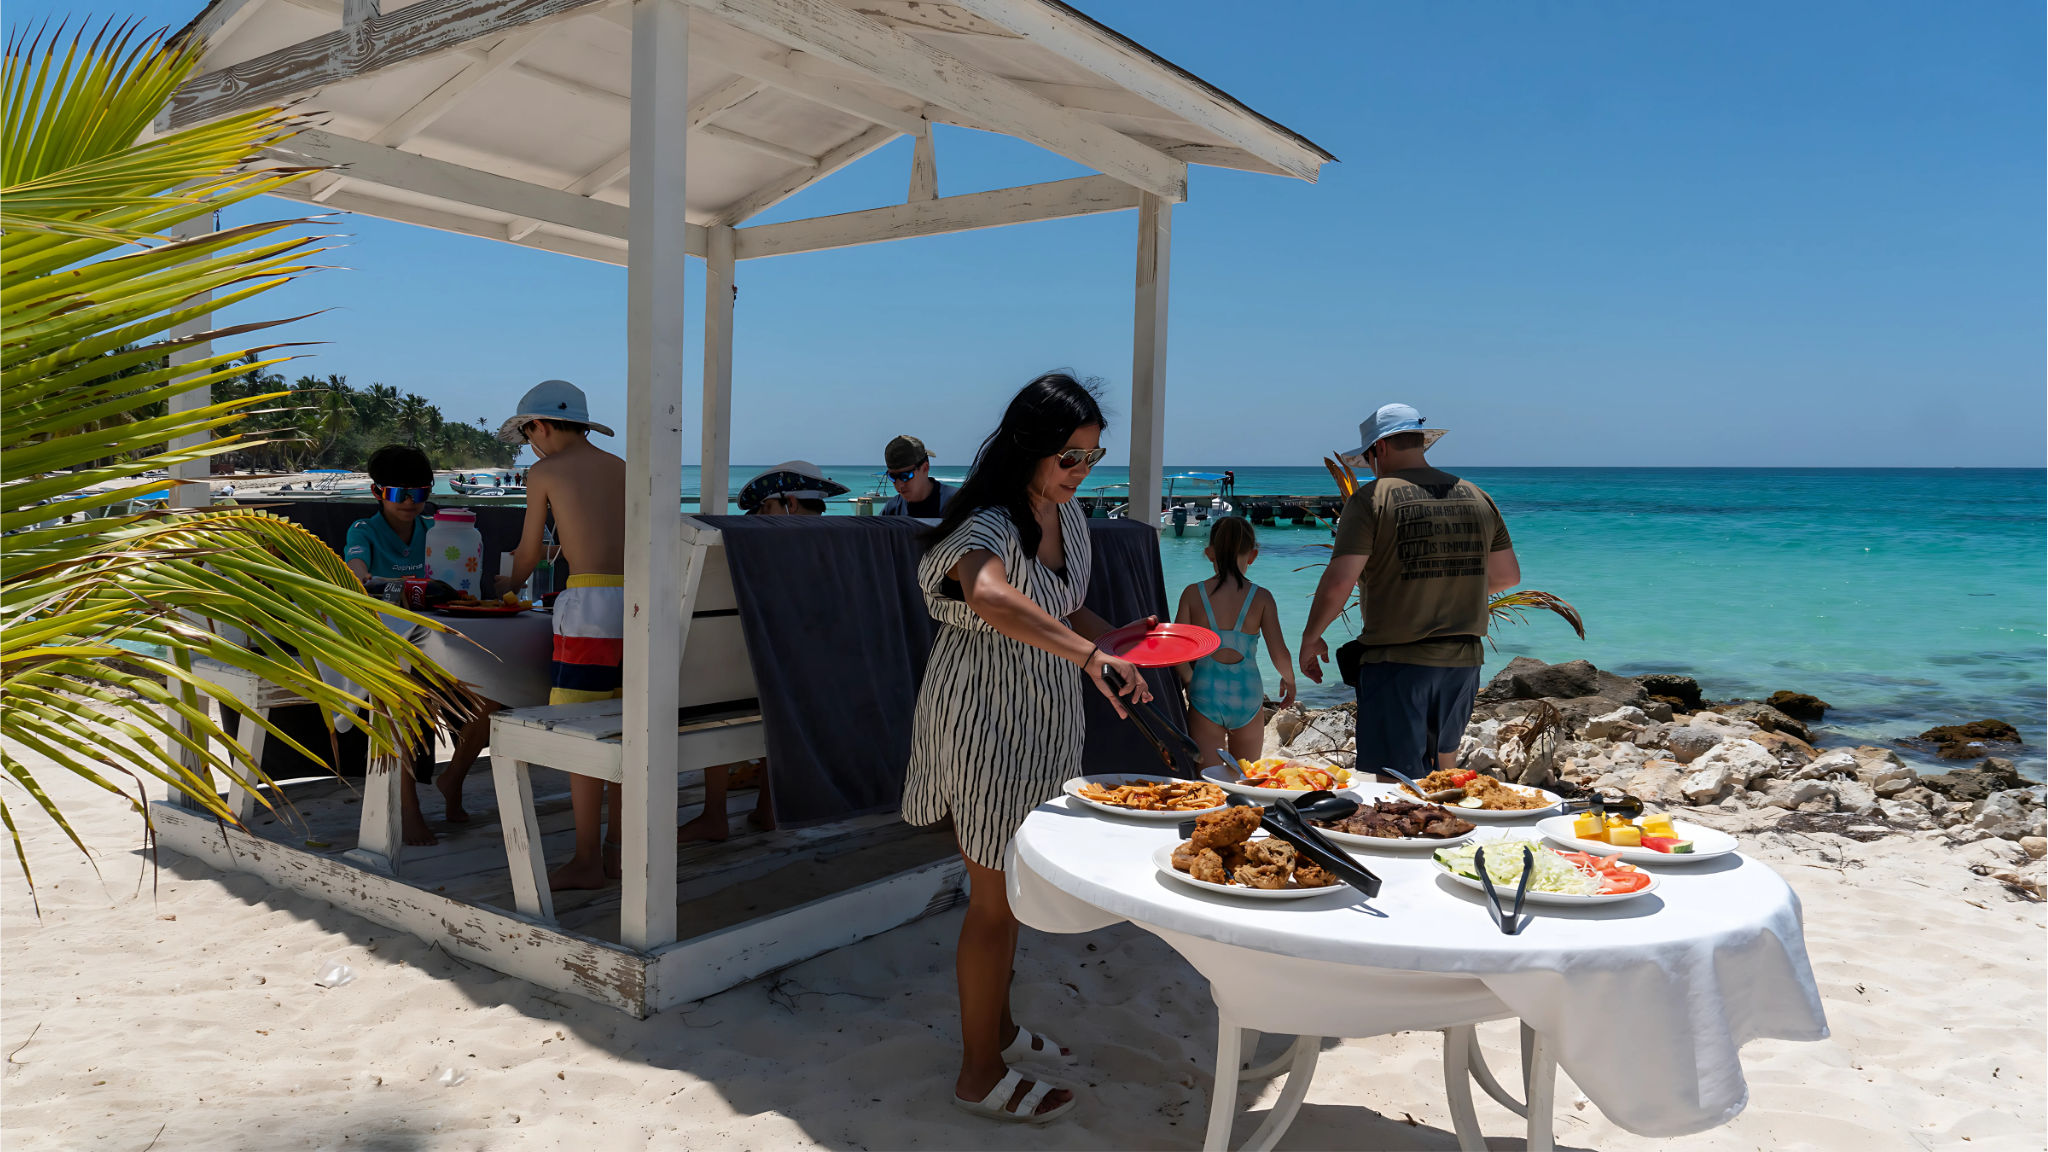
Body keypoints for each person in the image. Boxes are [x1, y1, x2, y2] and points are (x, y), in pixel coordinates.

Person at [902, 372, 1152, 1125]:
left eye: (1093, 459)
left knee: (1014, 885)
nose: (1082, 473)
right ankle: (978, 1073)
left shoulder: (1065, 515)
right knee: (993, 900)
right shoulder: (986, 522)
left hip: (1045, 718)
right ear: (1029, 447)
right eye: (1070, 458)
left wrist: (1120, 642)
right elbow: (988, 594)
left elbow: (1063, 600)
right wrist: (1087, 656)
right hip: (983, 714)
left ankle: (1002, 1030)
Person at [1299, 403, 1520, 778]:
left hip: (1398, 664)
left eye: (1368, 459)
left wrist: (1311, 636)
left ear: (1379, 449)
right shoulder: (1477, 495)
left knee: (1394, 786)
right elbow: (1507, 576)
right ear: (1422, 443)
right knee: (1443, 777)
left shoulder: (1371, 500)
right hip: (1463, 663)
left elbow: (1341, 579)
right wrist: (1448, 587)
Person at [494, 380, 627, 891]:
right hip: (639, 607)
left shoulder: (544, 471)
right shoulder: (623, 468)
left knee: (581, 735)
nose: (532, 444)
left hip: (590, 605)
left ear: (542, 426)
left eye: (530, 434)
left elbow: (529, 553)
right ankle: (619, 853)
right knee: (624, 729)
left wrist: (506, 584)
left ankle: (588, 857)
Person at [676, 462, 848, 844]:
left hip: (733, 682)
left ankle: (713, 813)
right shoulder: (833, 541)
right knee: (775, 690)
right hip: (800, 686)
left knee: (712, 680)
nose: (757, 520)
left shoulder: (766, 543)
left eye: (762, 510)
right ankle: (769, 807)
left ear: (785, 502)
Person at [339, 445, 447, 844]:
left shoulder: (436, 531)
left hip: (434, 637)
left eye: (420, 494)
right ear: (376, 493)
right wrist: (363, 577)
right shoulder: (363, 531)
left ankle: (452, 780)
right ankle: (408, 805)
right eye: (400, 494)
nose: (411, 504)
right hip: (383, 640)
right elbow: (357, 571)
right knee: (399, 693)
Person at [1173, 516, 1294, 767]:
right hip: (1248, 695)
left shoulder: (1193, 594)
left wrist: (1188, 679)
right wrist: (1289, 680)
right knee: (1245, 777)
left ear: (1209, 553)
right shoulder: (1261, 597)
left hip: (1205, 691)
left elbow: (1177, 648)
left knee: (1208, 780)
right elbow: (1279, 651)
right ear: (1253, 555)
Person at [878, 434, 956, 517]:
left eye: (905, 476)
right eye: (892, 477)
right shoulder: (891, 510)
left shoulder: (958, 503)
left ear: (925, 468)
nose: (899, 485)